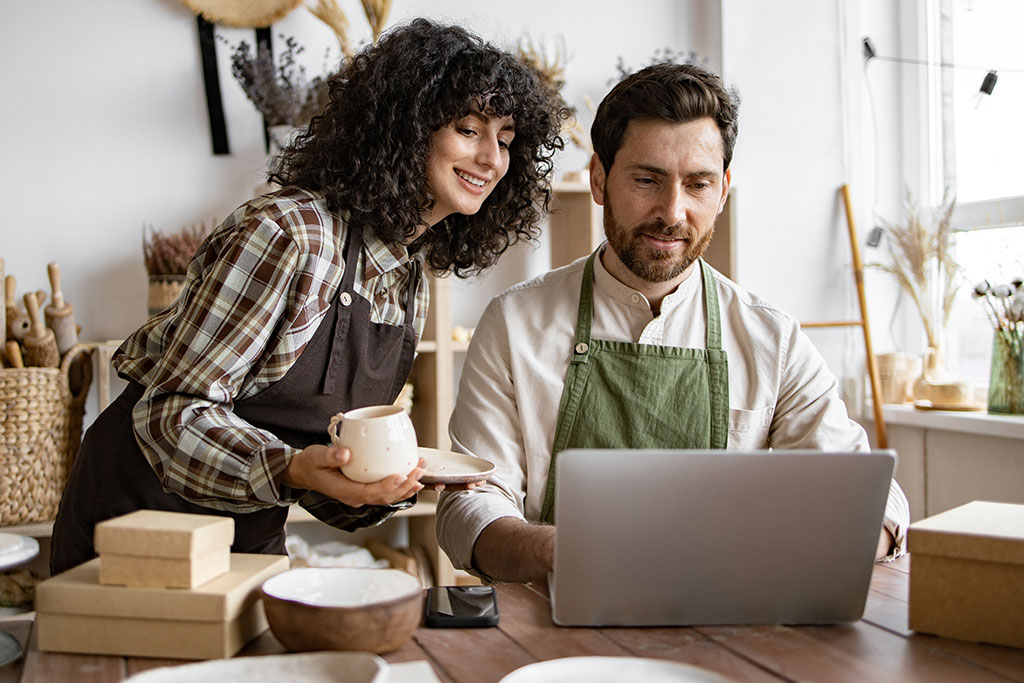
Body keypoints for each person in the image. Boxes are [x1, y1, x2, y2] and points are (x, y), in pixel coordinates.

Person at [50, 18, 568, 575]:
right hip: (139, 519)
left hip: (247, 532)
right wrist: (291, 469)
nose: (492, 158)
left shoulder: (406, 273)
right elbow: (170, 414)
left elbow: (314, 470)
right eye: (469, 130)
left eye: (505, 140)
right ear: (405, 127)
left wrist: (378, 480)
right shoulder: (290, 234)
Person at [435, 63, 910, 584]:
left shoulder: (771, 340)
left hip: (728, 612)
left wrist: (816, 539)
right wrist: (559, 550)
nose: (673, 212)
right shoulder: (514, 324)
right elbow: (469, 509)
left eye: (698, 184)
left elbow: (876, 499)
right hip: (551, 617)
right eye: (647, 180)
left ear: (723, 190)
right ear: (599, 179)